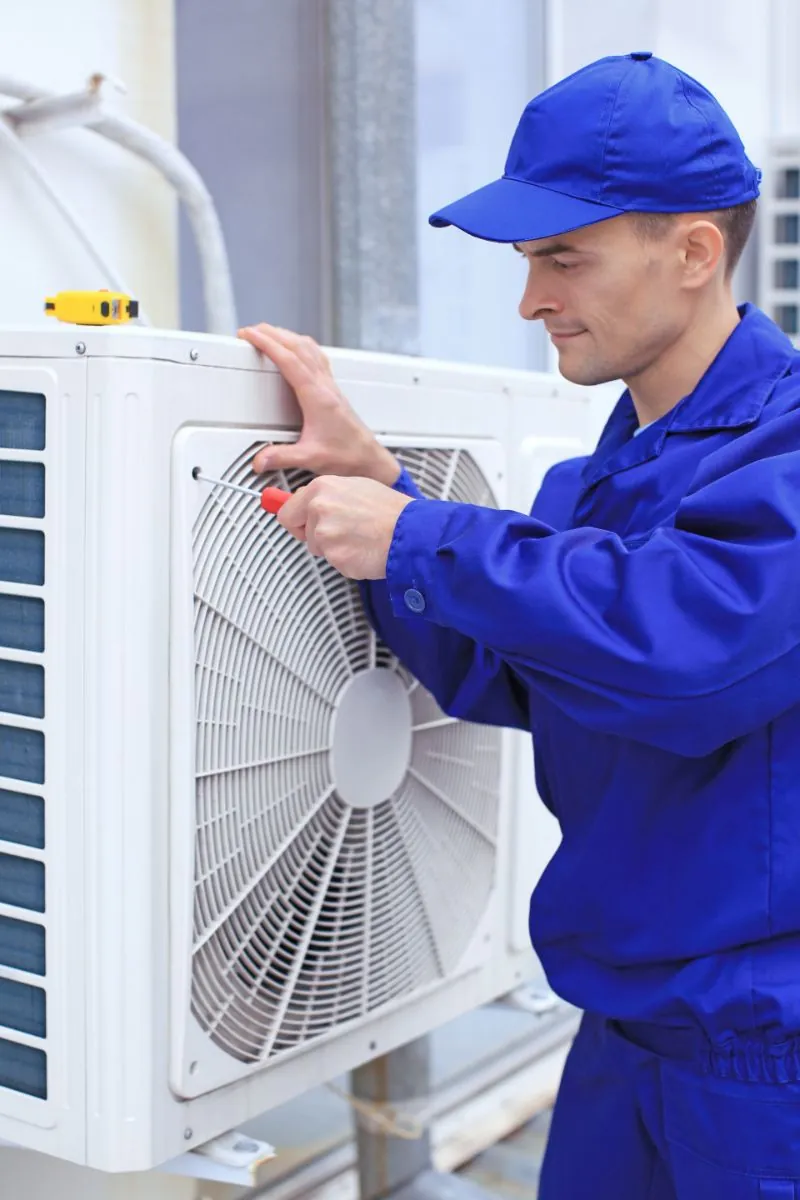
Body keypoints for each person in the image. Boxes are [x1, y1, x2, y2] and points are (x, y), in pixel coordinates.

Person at [238, 51, 800, 1199]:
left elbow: (689, 656)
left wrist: (417, 535)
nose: (530, 299)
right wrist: (378, 483)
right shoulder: (617, 468)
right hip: (622, 1027)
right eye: (524, 260)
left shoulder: (783, 445)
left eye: (562, 257)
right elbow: (503, 669)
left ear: (693, 251)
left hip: (758, 1060)